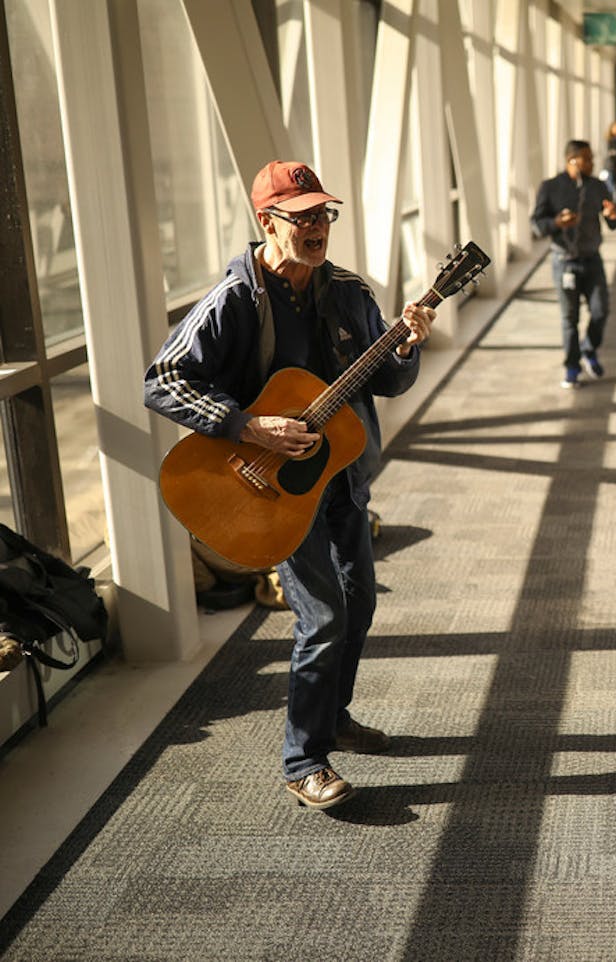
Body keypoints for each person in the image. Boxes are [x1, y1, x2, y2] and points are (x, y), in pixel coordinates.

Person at [144, 160, 437, 810]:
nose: (316, 228)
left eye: (322, 215)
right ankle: (304, 760)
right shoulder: (234, 300)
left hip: (338, 478)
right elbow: (160, 379)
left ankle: (334, 717)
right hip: (265, 489)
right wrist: (247, 427)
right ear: (265, 221)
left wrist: (407, 348)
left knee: (359, 605)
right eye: (301, 216)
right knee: (324, 615)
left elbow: (384, 382)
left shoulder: (349, 293)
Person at [531, 139, 616, 388]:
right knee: (569, 318)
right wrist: (557, 224)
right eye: (588, 158)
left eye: (592, 158)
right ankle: (572, 366)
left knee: (601, 311)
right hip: (564, 262)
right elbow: (536, 225)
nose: (593, 162)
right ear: (572, 160)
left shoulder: (598, 186)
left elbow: (614, 221)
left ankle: (589, 349)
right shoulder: (550, 187)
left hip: (592, 260)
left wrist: (613, 215)